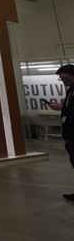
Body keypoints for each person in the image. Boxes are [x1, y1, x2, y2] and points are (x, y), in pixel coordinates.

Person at [49, 64, 74, 201]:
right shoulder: (70, 91)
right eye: (61, 79)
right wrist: (62, 107)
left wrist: (63, 108)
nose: (64, 81)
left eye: (66, 78)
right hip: (70, 134)